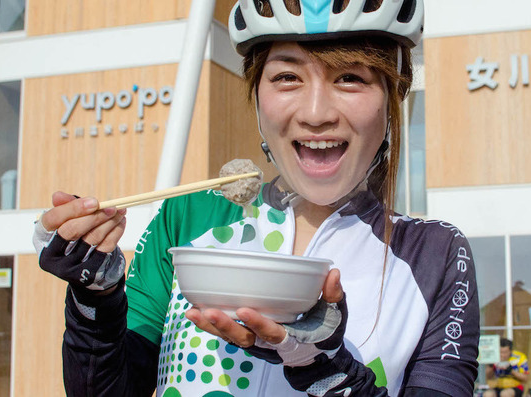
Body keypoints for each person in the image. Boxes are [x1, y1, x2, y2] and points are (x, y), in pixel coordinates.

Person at [32, 0, 480, 396]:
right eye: (287, 77)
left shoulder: (433, 254)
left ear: (391, 100)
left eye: (350, 78)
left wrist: (324, 369)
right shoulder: (188, 217)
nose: (316, 113)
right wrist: (96, 297)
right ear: (258, 98)